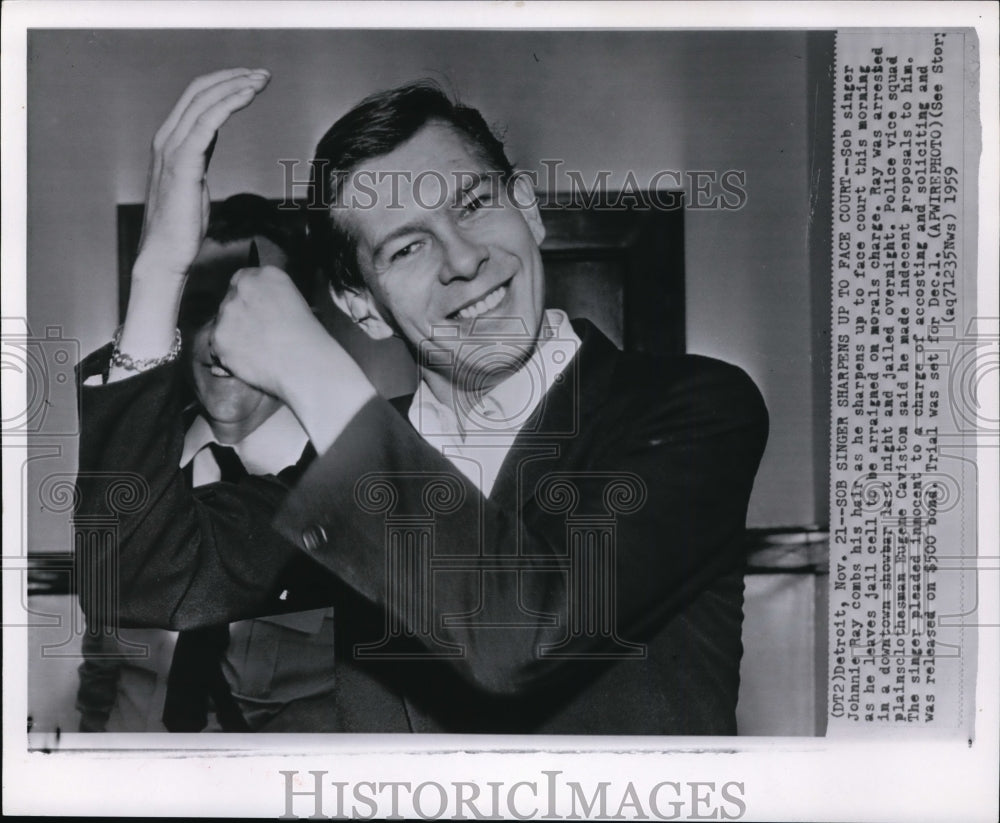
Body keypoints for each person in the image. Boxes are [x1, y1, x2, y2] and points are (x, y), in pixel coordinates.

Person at [76, 68, 768, 733]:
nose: (462, 257)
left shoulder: (694, 408)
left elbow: (522, 632)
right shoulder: (348, 468)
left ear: (527, 209)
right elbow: (136, 579)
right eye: (407, 248)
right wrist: (157, 272)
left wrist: (312, 367)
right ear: (362, 308)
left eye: (473, 205)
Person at [75, 193, 338, 733]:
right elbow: (102, 676)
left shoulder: (358, 487)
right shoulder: (130, 474)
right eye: (200, 309)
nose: (221, 343)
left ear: (305, 326)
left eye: (250, 314)